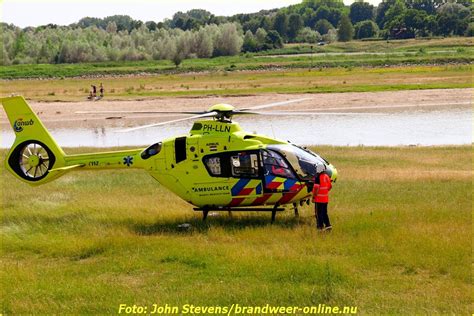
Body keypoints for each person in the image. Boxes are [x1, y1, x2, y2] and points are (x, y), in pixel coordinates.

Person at [312, 164, 332, 231]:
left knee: (318, 214)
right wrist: (325, 192)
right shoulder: (326, 176)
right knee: (324, 213)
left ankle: (320, 227)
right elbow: (330, 187)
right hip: (325, 199)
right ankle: (328, 225)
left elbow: (316, 188)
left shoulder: (317, 178)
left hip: (319, 200)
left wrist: (313, 197)